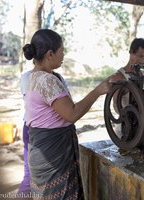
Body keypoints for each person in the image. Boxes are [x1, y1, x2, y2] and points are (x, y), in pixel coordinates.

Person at [22, 29, 112, 199]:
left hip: (43, 150)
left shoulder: (33, 77)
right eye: (62, 51)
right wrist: (98, 90)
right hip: (52, 154)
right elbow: (71, 114)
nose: (63, 55)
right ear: (50, 54)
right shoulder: (47, 80)